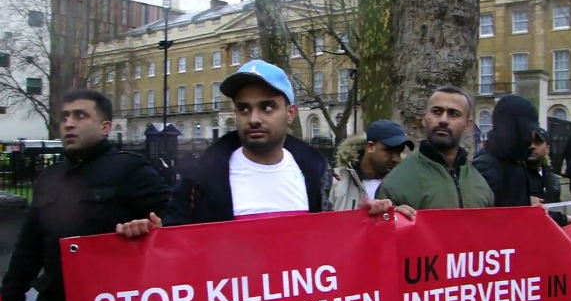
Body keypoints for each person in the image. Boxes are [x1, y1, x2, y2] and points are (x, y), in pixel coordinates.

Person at [116, 59, 403, 237]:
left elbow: (329, 244)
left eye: (267, 107)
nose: (254, 118)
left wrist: (372, 222)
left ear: (290, 113)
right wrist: (149, 236)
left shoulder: (316, 175)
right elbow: (175, 252)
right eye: (244, 108)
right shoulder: (197, 179)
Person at [1, 89, 170, 301]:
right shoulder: (49, 179)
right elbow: (27, 250)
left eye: (80, 115)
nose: (69, 123)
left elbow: (177, 224)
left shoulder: (131, 170)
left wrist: (152, 227)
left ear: (105, 127)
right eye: (65, 116)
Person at [375, 86, 494, 209]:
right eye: (437, 111)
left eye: (454, 114)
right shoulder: (396, 183)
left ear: (467, 125)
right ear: (424, 119)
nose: (443, 120)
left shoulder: (480, 184)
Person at [472, 95, 571, 226]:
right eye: (530, 129)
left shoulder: (515, 162)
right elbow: (496, 220)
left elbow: (523, 209)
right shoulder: (486, 166)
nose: (531, 138)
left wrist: (563, 219)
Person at [330, 120, 414, 210]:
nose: (396, 159)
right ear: (370, 147)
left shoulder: (404, 184)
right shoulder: (337, 181)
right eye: (390, 151)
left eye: (399, 152)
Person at [526, 128, 561, 204]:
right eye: (528, 142)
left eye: (538, 142)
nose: (532, 146)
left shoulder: (552, 178)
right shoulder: (513, 176)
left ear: (547, 149)